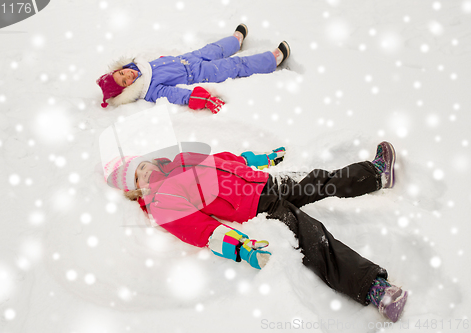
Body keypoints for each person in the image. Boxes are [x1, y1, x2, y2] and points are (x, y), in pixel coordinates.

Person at [103, 142, 407, 322]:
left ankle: (376, 175)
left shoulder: (181, 160)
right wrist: (240, 247)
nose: (144, 172)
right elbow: (202, 230)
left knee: (320, 179)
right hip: (258, 207)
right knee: (312, 235)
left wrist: (262, 160)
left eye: (142, 165)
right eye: (138, 175)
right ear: (135, 190)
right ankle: (374, 289)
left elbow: (225, 160)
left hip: (264, 182)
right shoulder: (160, 201)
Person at [96, 24, 291, 113]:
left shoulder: (140, 66)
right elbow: (175, 94)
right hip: (199, 73)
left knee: (214, 49)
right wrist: (199, 98)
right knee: (233, 66)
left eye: (121, 72)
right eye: (124, 81)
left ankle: (234, 41)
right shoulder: (149, 90)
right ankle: (271, 60)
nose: (127, 75)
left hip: (188, 58)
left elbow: (160, 64)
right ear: (127, 90)